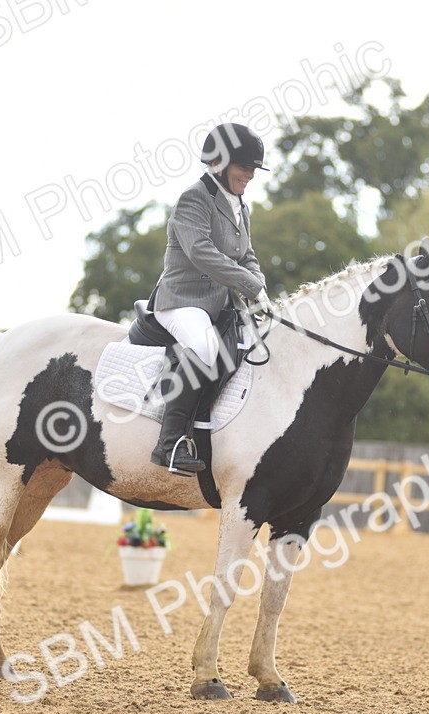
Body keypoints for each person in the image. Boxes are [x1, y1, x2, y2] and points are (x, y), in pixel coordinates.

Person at [149, 122, 271, 475]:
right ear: (218, 163)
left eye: (253, 169)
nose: (250, 175)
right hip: (182, 301)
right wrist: (250, 286)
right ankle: (168, 444)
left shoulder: (240, 206)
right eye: (244, 167)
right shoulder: (194, 198)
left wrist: (259, 288)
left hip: (219, 304)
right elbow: (201, 252)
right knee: (204, 350)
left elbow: (246, 255)